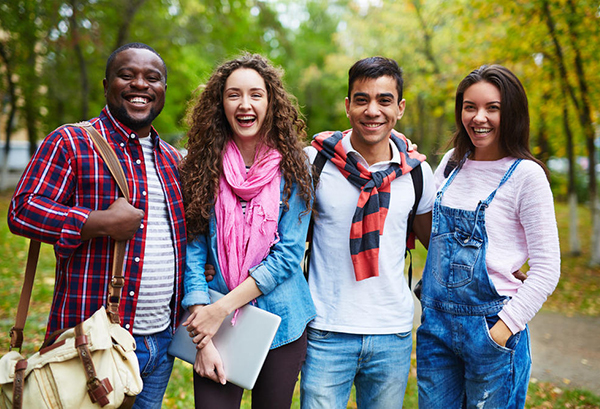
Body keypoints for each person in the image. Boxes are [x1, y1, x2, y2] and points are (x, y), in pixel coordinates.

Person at [7, 42, 186, 409]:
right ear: (107, 85)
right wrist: (95, 222)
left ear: (163, 90)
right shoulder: (71, 141)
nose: (140, 84)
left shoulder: (172, 159)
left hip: (160, 342)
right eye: (127, 75)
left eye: (152, 78)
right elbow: (22, 210)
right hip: (90, 342)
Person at [416, 64, 561, 408]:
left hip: (492, 331)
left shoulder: (526, 176)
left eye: (492, 107)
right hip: (436, 329)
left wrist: (500, 331)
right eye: (470, 107)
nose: (478, 117)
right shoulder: (453, 162)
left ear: (510, 112)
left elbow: (546, 268)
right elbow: (432, 233)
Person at [178, 53, 315, 409]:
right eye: (233, 94)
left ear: (271, 102)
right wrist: (203, 337)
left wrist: (220, 308)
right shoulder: (200, 164)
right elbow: (193, 252)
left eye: (256, 94)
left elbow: (287, 256)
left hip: (281, 322)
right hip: (212, 327)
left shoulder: (295, 166)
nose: (245, 104)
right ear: (220, 103)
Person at [300, 56, 436, 408]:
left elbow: (438, 245)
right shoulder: (313, 163)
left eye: (384, 100)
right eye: (362, 99)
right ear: (348, 106)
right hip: (326, 330)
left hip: (391, 333)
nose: (372, 110)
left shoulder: (417, 173)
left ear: (400, 108)